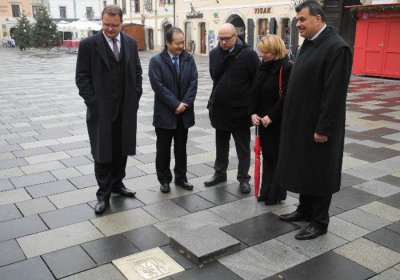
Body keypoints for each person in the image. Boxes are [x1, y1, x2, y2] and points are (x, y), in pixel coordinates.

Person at [276, 0, 352, 240]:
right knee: (304, 168)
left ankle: (319, 221)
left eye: (302, 19)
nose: (298, 24)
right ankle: (304, 209)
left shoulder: (336, 48)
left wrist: (324, 127)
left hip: (320, 126)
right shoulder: (309, 43)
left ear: (318, 19)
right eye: (297, 19)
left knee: (320, 171)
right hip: (301, 123)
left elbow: (334, 93)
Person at [75, 5, 143, 214]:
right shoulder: (89, 45)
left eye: (114, 25)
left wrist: (135, 96)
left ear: (121, 22)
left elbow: (138, 72)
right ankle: (103, 194)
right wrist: (93, 103)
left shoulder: (130, 43)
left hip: (125, 109)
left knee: (122, 148)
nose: (110, 29)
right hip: (100, 111)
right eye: (106, 24)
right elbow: (82, 77)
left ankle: (117, 184)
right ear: (101, 22)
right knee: (102, 153)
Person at [205, 23, 260, 193]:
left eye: (226, 39)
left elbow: (256, 80)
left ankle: (243, 178)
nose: (222, 42)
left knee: (242, 147)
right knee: (221, 144)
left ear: (235, 36)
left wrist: (252, 106)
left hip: (240, 110)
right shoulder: (214, 54)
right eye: (220, 39)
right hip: (220, 109)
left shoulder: (249, 54)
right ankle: (219, 172)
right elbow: (215, 76)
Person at [148, 27, 198, 193]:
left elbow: (193, 82)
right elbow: (158, 86)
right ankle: (164, 180)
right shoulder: (156, 61)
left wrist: (185, 103)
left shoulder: (188, 59)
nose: (180, 46)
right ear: (167, 43)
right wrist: (175, 104)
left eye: (182, 42)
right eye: (177, 43)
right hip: (165, 114)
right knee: (163, 149)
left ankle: (181, 178)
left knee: (181, 148)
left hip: (183, 113)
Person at [249, 35, 292, 205]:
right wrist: (252, 112)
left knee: (276, 159)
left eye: (266, 52)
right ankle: (266, 191)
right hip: (262, 122)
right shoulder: (263, 66)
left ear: (275, 51)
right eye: (261, 51)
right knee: (267, 157)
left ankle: (276, 194)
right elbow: (253, 92)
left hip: (277, 122)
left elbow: (287, 97)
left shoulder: (286, 68)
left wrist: (271, 116)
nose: (262, 55)